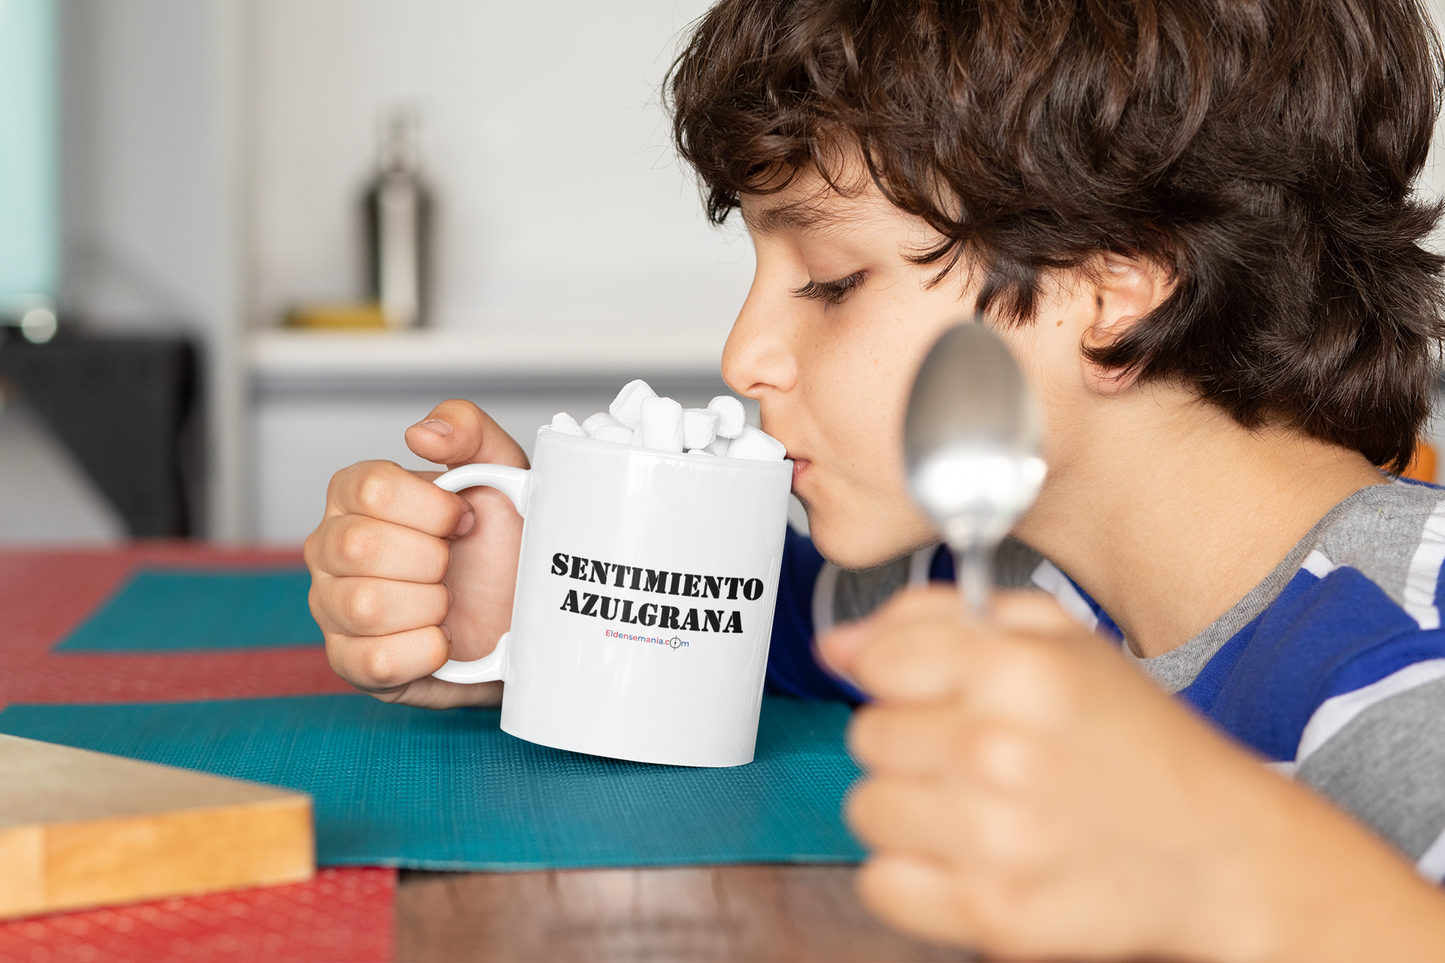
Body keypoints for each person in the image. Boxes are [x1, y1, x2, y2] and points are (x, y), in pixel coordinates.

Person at [306, 0, 1445, 957]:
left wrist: (1232, 872)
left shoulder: (1403, 661)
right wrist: (536, 598)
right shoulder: (973, 582)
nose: (740, 355)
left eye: (831, 281)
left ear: (1115, 288)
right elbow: (751, 625)